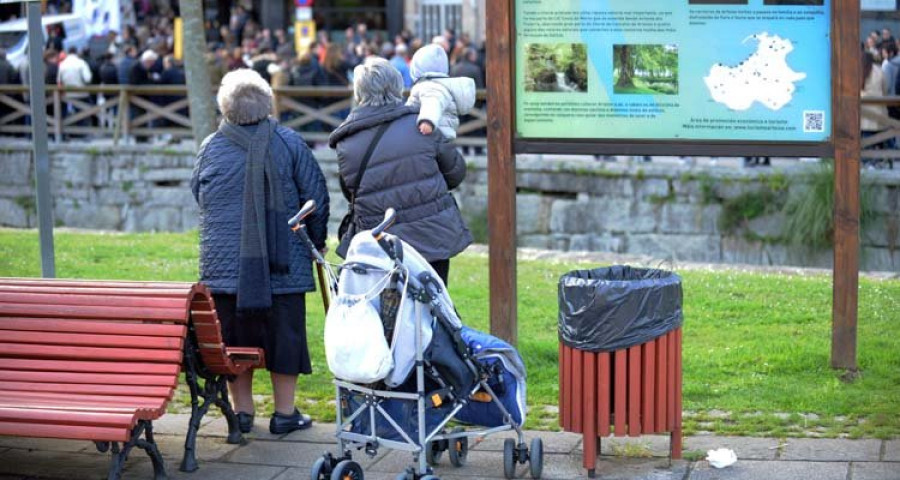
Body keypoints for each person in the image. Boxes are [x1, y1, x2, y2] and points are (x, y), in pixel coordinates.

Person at [191, 68, 329, 434]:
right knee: (285, 337)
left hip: (224, 270)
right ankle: (285, 414)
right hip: (283, 266)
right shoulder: (289, 142)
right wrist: (318, 242)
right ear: (267, 103)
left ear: (225, 107)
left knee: (235, 340)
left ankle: (243, 412)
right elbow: (316, 197)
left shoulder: (210, 147)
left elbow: (198, 195)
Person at [328, 57, 471, 284]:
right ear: (397, 87)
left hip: (380, 243)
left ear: (359, 93)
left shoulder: (346, 142)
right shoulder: (421, 125)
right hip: (432, 237)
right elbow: (456, 172)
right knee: (434, 306)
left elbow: (351, 192)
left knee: (388, 310)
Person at [406, 44, 475, 140]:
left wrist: (427, 120)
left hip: (432, 135)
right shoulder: (437, 85)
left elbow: (433, 102)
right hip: (439, 135)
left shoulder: (431, 86)